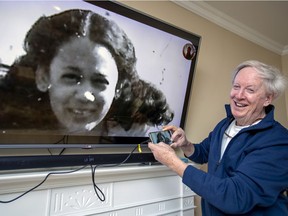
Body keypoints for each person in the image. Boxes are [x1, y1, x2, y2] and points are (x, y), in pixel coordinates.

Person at [0, 9, 174, 135]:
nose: (85, 96)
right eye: (71, 77)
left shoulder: (132, 125)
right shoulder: (10, 123)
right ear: (43, 77)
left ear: (118, 87)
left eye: (100, 81)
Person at [148, 60, 288, 215]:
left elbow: (235, 197)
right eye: (236, 86)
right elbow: (203, 153)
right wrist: (186, 144)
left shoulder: (278, 141)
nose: (239, 95)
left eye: (250, 90)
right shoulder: (225, 124)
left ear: (268, 98)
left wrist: (173, 162)